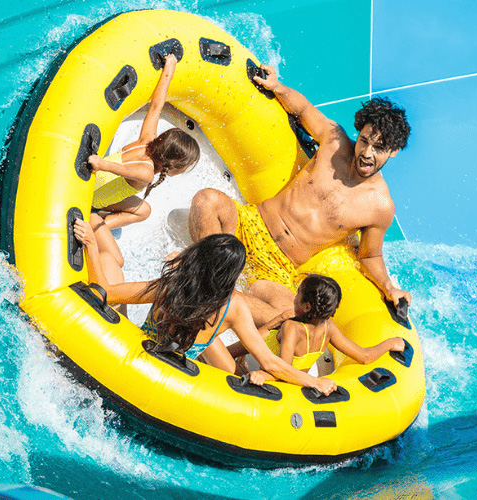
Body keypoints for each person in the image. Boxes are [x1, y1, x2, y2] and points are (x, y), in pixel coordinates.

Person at [188, 65, 412, 319]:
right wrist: (277, 86)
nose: (367, 153)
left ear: (393, 151)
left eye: (379, 148)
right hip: (250, 224)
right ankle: (212, 281)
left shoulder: (380, 207)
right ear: (358, 133)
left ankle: (219, 293)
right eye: (364, 141)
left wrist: (389, 287)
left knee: (286, 312)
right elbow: (304, 110)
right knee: (206, 200)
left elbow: (370, 255)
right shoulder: (334, 141)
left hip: (277, 266)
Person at [74, 220, 336, 394]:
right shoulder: (233, 308)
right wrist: (314, 381)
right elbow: (271, 362)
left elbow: (103, 293)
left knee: (110, 261)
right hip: (180, 379)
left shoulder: (171, 287)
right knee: (227, 363)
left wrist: (91, 246)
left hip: (140, 357)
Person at [88, 53, 201, 294]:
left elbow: (157, 104)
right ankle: (99, 225)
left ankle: (106, 222)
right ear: (172, 165)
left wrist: (169, 68)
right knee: (117, 261)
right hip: (90, 201)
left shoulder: (146, 140)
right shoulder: (147, 172)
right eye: (183, 167)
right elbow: (122, 169)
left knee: (144, 210)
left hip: (100, 189)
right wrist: (99, 163)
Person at [229, 274, 406, 377]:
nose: (295, 298)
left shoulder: (292, 328)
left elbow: (282, 371)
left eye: (298, 294)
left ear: (306, 306)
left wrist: (257, 375)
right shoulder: (328, 328)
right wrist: (390, 343)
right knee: (266, 334)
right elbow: (365, 356)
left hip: (272, 379)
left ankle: (235, 360)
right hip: (300, 380)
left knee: (223, 350)